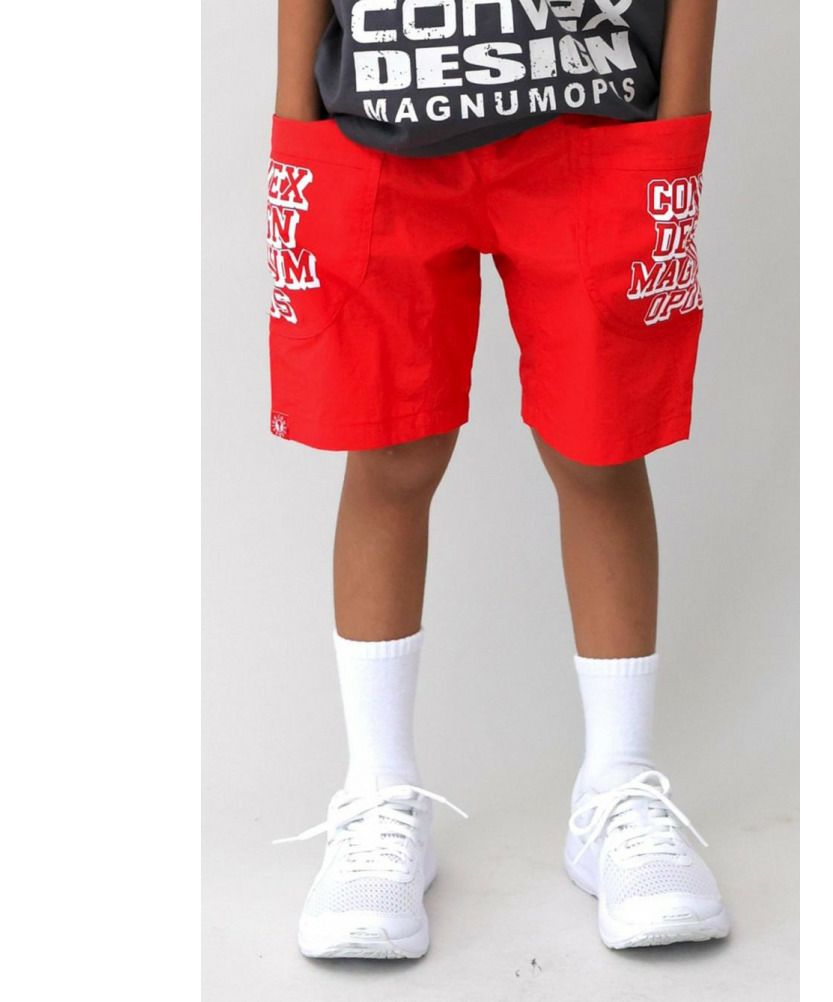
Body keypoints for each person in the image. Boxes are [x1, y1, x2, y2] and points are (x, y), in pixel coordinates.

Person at [269, 0, 728, 959]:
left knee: (600, 449)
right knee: (390, 450)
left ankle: (617, 786)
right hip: (380, 111)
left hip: (593, 109)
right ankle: (379, 791)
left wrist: (681, 115)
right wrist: (295, 115)